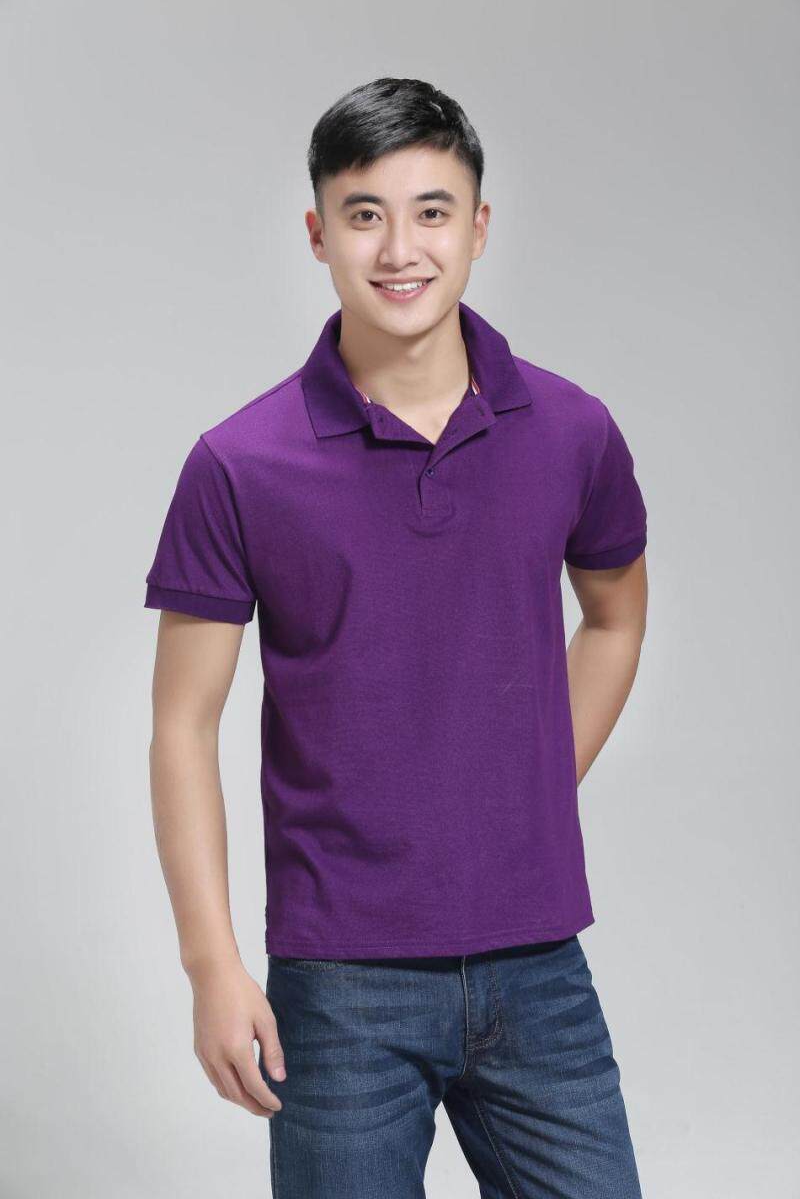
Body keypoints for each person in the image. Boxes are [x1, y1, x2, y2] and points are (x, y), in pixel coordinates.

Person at [144, 76, 648, 1198]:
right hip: (339, 985)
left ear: (478, 227)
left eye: (431, 211)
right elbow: (182, 724)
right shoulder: (241, 463)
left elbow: (615, 615)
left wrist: (531, 781)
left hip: (537, 964)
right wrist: (211, 967)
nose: (399, 248)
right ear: (317, 232)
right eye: (364, 213)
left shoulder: (571, 431)